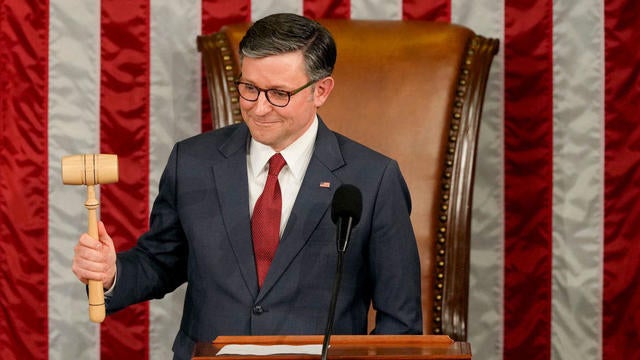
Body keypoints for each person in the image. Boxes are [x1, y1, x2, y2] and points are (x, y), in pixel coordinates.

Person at [72, 13, 422, 360]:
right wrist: (111, 272)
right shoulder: (192, 162)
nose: (259, 108)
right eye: (249, 88)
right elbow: (161, 262)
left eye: (279, 94)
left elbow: (401, 323)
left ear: (320, 90)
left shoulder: (373, 180)